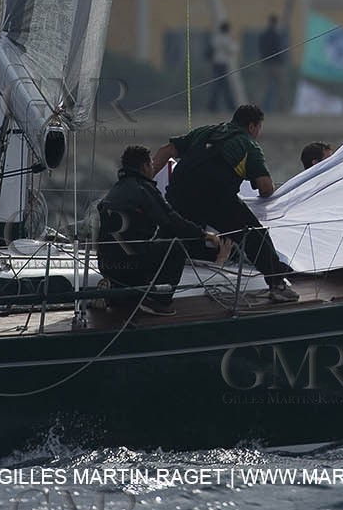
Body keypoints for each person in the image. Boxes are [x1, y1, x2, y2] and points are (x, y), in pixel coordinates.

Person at [153, 104, 299, 303]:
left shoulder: (205, 131)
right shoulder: (248, 145)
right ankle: (277, 285)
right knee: (255, 236)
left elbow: (164, 151)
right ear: (253, 126)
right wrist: (265, 189)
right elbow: (265, 187)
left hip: (179, 195)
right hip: (215, 199)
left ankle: (143, 281)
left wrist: (146, 181)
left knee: (167, 237)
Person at [97, 145, 225, 316]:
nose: (153, 168)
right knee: (176, 247)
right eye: (151, 164)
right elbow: (170, 220)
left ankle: (116, 294)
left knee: (143, 248)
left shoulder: (116, 189)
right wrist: (204, 235)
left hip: (107, 263)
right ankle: (158, 300)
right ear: (144, 167)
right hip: (131, 260)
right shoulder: (143, 189)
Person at [206, 21, 238, 113]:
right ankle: (229, 106)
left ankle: (212, 106)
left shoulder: (216, 38)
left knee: (218, 86)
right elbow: (233, 49)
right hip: (222, 65)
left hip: (216, 64)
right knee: (224, 87)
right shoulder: (225, 39)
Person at [259, 15, 286, 112]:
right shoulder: (276, 35)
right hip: (276, 65)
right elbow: (278, 49)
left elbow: (261, 48)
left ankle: (255, 109)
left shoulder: (263, 34)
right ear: (275, 23)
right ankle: (282, 109)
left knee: (262, 88)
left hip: (266, 64)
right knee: (280, 88)